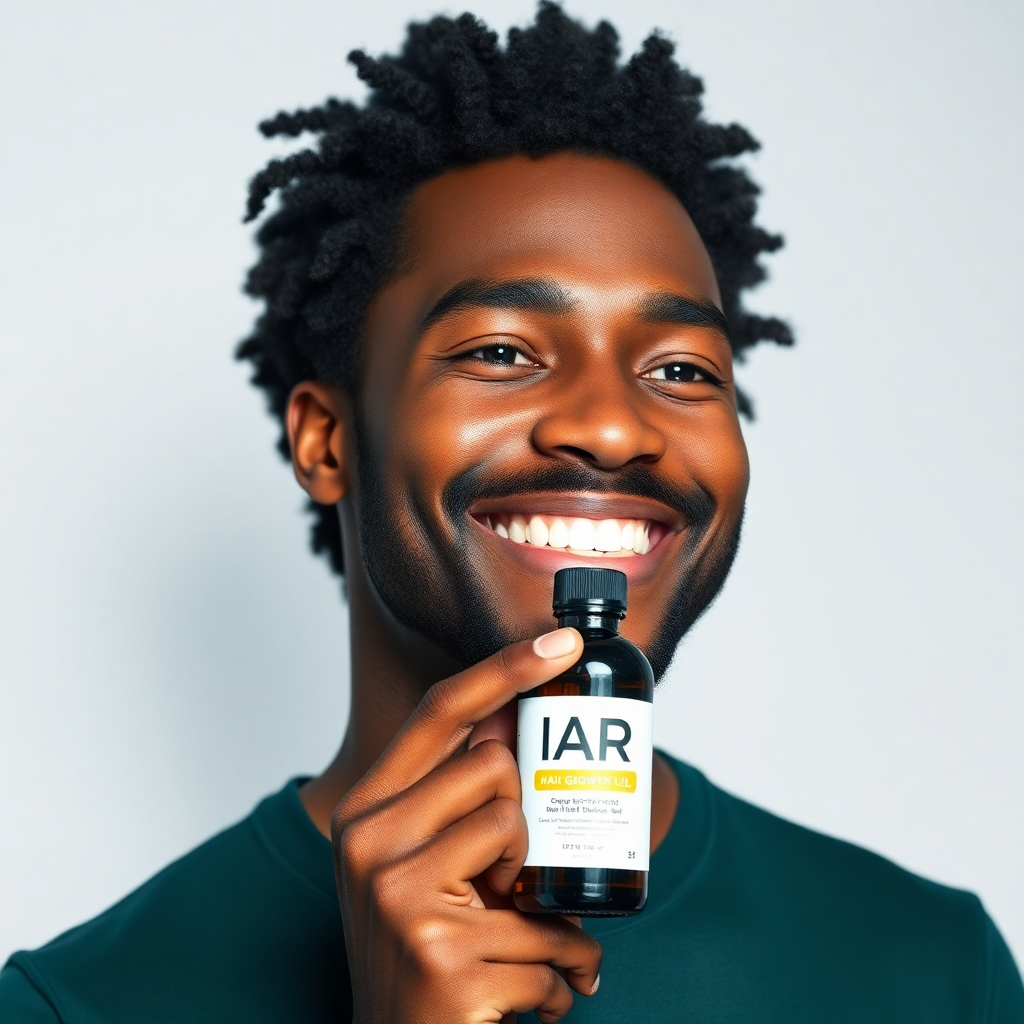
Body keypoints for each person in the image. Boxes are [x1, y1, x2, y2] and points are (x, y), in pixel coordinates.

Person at [2, 5, 1020, 1022]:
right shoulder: (76, 1006)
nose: (612, 428)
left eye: (680, 368)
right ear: (328, 442)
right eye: (500, 351)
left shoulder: (934, 972)